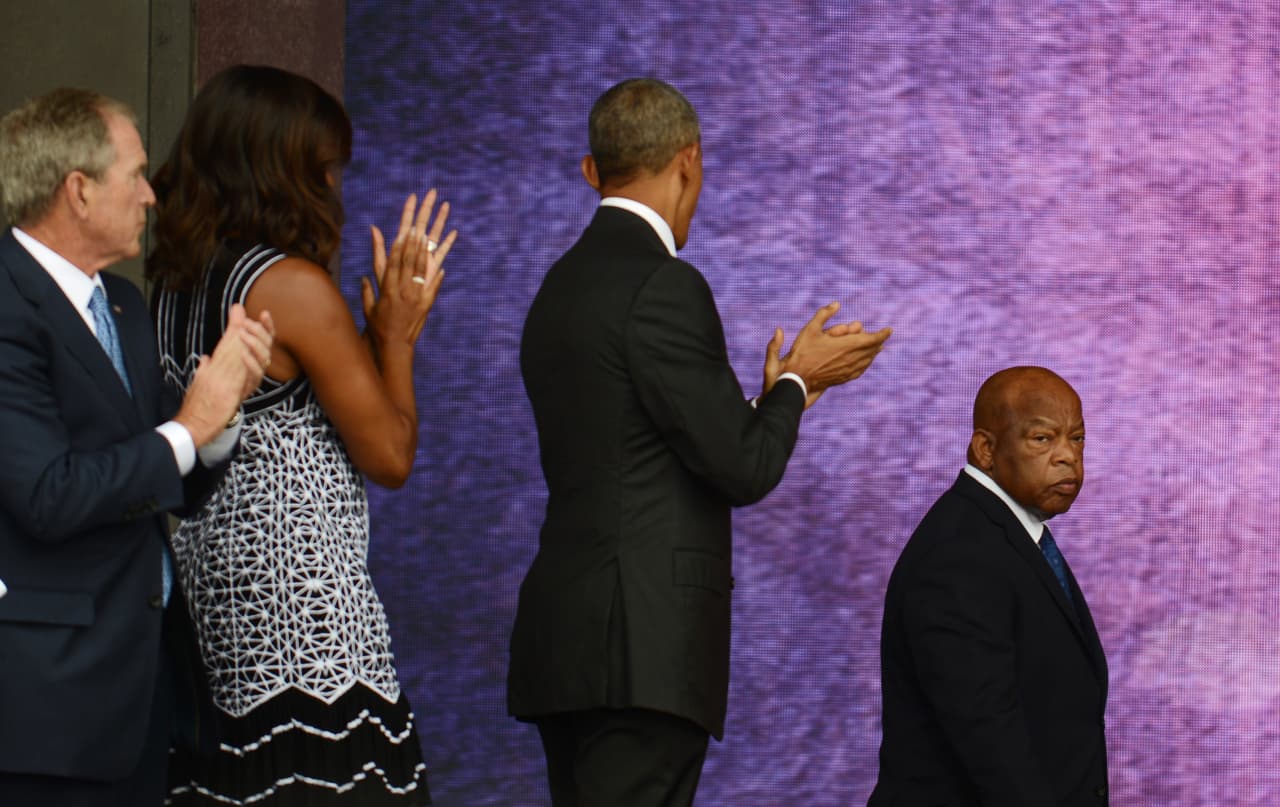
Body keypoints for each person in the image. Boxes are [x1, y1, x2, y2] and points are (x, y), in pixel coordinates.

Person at [508, 77, 893, 807]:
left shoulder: (557, 287)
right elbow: (744, 465)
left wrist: (772, 392)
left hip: (571, 647)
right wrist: (798, 384)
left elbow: (647, 445)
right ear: (690, 161)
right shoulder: (665, 286)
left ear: (593, 170)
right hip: (641, 659)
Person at [146, 65, 454, 806]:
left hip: (215, 605)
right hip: (305, 625)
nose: (333, 189)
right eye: (322, 168)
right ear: (277, 170)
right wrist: (398, 337)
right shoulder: (290, 285)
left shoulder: (174, 285)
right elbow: (391, 455)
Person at [0, 88, 273, 807]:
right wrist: (189, 425)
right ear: (79, 190)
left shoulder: (121, 302)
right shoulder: (5, 306)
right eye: (137, 174)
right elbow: (47, 495)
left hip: (141, 686)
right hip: (47, 702)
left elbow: (165, 473)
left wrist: (221, 415)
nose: (152, 195)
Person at [869, 366, 1109, 806]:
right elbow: (987, 735)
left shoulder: (1002, 536)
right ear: (985, 449)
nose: (1067, 457)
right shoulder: (960, 554)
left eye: (1077, 439)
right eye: (1043, 438)